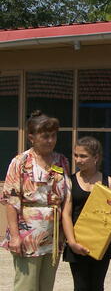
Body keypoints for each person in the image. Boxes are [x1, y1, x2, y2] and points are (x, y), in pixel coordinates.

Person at [1, 111, 70, 291]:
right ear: (31, 137)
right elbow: (11, 201)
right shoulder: (20, 162)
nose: (50, 140)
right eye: (45, 136)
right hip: (27, 234)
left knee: (46, 286)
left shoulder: (61, 161)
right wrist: (15, 237)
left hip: (53, 235)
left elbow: (67, 197)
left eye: (53, 136)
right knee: (26, 286)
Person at [62, 136, 111, 291]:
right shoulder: (69, 181)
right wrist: (72, 243)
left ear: (96, 157)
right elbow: (66, 214)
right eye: (76, 155)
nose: (78, 159)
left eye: (83, 156)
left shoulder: (108, 182)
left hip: (100, 244)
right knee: (81, 287)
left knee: (97, 287)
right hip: (77, 242)